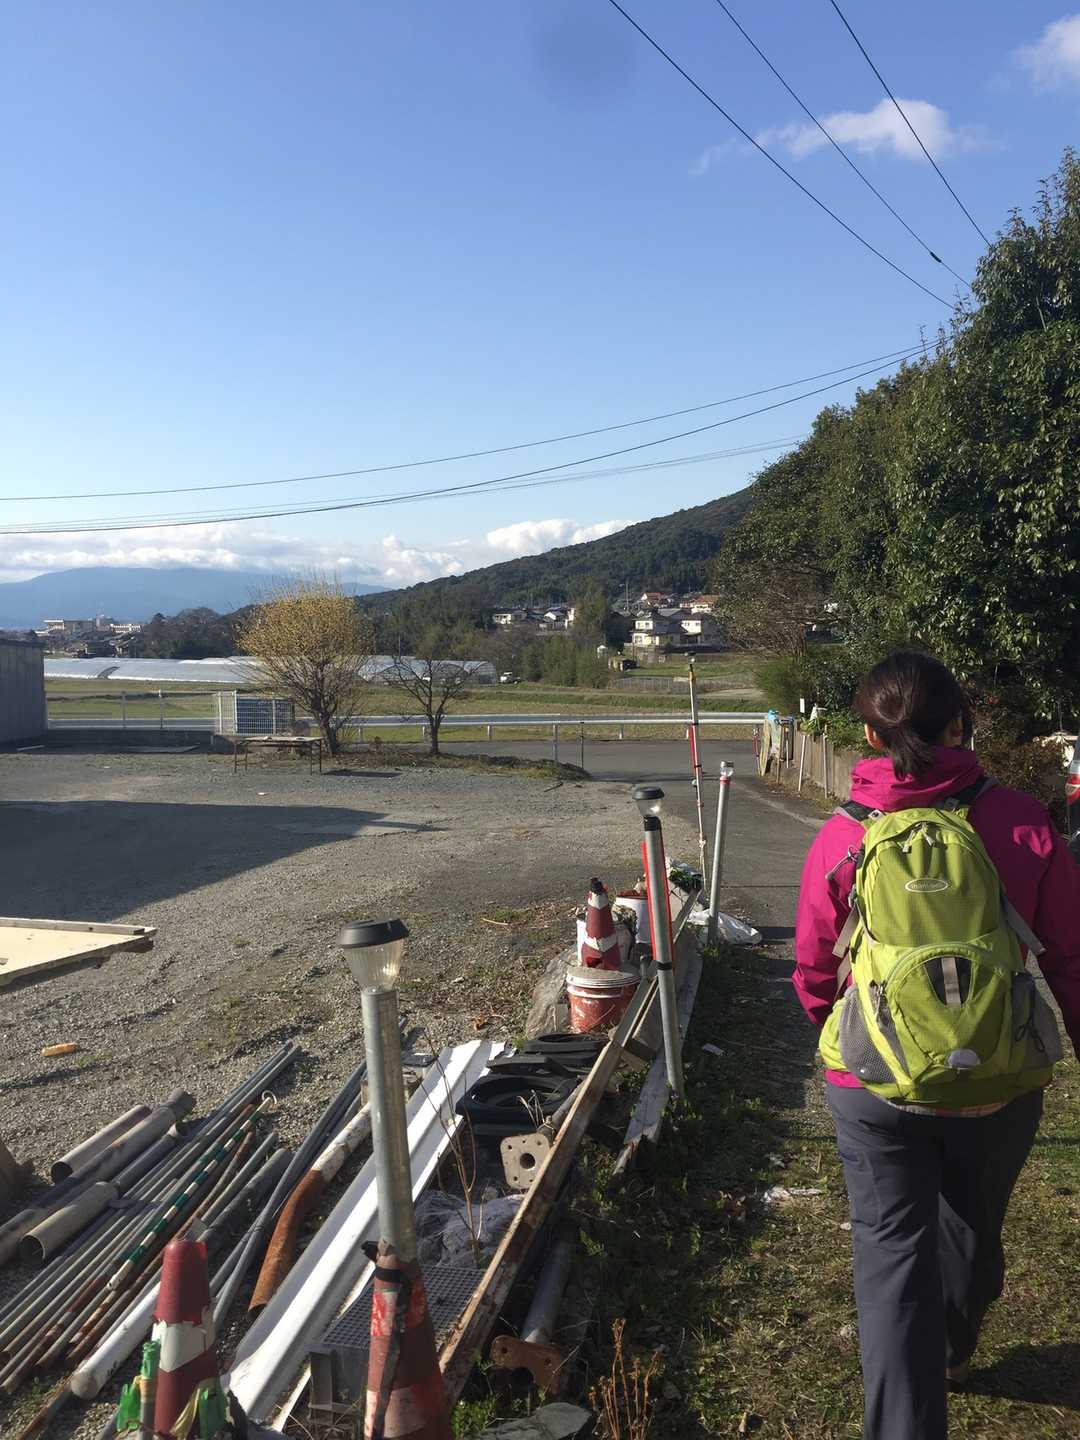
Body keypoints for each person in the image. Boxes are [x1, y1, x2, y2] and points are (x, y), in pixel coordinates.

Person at [794, 650, 1080, 1440]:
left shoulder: (843, 836)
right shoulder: (1022, 822)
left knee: (892, 1258)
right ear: (961, 723)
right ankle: (953, 1344)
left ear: (868, 734)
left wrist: (839, 1032)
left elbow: (814, 970)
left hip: (875, 1086)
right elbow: (1071, 955)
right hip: (1000, 1078)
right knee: (972, 1225)